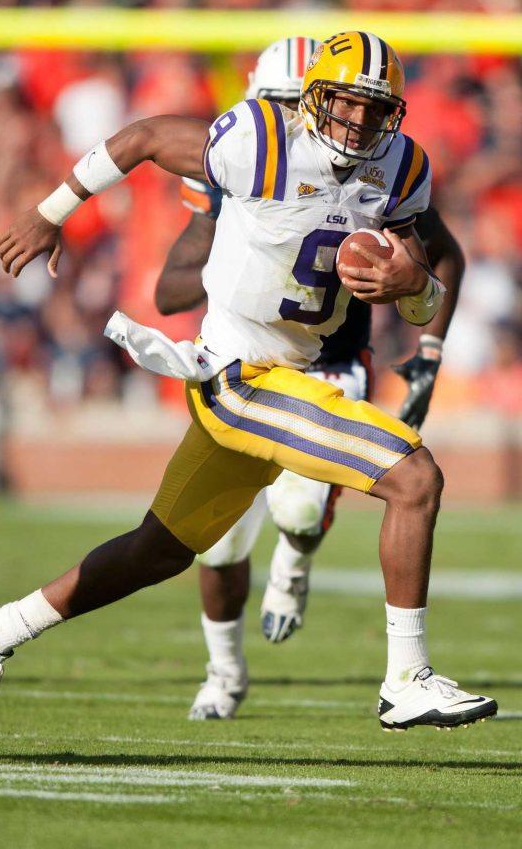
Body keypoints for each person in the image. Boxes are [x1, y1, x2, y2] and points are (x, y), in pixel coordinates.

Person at [0, 31, 497, 735]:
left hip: (291, 375)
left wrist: (413, 285)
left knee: (159, 550)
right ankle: (406, 679)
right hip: (242, 376)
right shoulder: (261, 139)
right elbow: (145, 136)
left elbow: (425, 286)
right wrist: (49, 212)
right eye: (344, 103)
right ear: (314, 96)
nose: (358, 122)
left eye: (375, 108)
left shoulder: (399, 167)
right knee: (414, 477)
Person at [155, 38, 466, 720]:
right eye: (278, 108)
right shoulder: (241, 163)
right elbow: (166, 292)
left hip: (332, 361)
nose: (292, 127)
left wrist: (426, 330)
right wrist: (246, 260)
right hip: (249, 367)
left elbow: (442, 255)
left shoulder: (382, 171)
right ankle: (224, 668)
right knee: (218, 539)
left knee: (304, 508)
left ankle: (295, 566)